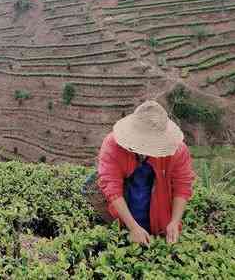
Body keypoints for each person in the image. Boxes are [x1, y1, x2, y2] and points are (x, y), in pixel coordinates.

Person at [84, 100, 196, 245]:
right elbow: (112, 189)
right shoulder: (112, 145)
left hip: (159, 216)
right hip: (123, 214)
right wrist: (133, 227)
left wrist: (175, 222)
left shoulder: (178, 151)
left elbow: (182, 186)